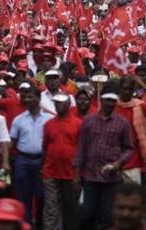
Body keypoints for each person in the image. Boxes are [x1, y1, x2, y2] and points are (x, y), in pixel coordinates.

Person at [74, 87, 134, 229]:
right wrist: (76, 174)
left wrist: (118, 164)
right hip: (90, 176)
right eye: (107, 100)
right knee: (87, 214)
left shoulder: (122, 123)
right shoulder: (88, 121)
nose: (110, 104)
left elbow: (128, 149)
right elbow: (81, 147)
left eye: (113, 101)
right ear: (101, 100)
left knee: (108, 216)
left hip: (112, 179)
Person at [9, 82, 52, 226]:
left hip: (41, 161)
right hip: (23, 160)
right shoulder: (18, 119)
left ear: (38, 98)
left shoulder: (48, 119)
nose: (26, 100)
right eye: (24, 97)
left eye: (30, 97)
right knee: (23, 196)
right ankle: (26, 225)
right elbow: (12, 142)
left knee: (41, 196)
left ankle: (39, 224)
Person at [41, 93, 82, 230]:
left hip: (71, 174)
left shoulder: (78, 124)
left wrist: (77, 174)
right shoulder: (48, 124)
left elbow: (82, 150)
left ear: (68, 105)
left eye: (61, 103)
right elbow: (45, 148)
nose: (57, 105)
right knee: (51, 208)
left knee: (70, 209)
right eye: (56, 102)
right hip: (51, 173)